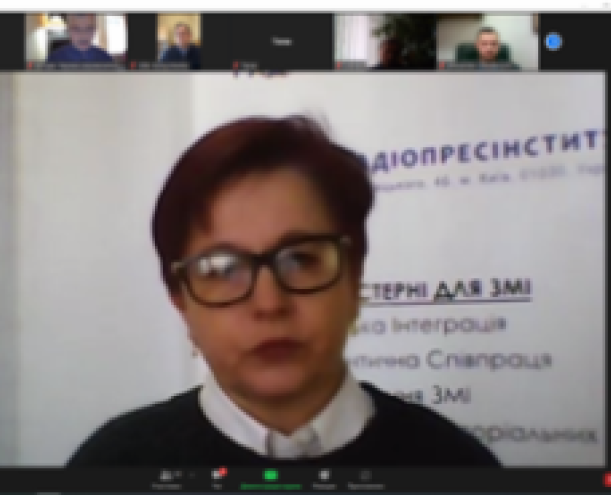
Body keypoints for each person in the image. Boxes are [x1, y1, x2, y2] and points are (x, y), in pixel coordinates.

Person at [66, 116, 502, 467]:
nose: (269, 303)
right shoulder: (113, 466)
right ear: (181, 303)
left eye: (301, 259)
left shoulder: (456, 465)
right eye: (222, 269)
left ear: (353, 279)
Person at [47, 14, 114, 63]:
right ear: (68, 30)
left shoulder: (105, 59)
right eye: (76, 29)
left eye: (89, 29)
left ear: (95, 30)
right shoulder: (54, 59)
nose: (83, 35)